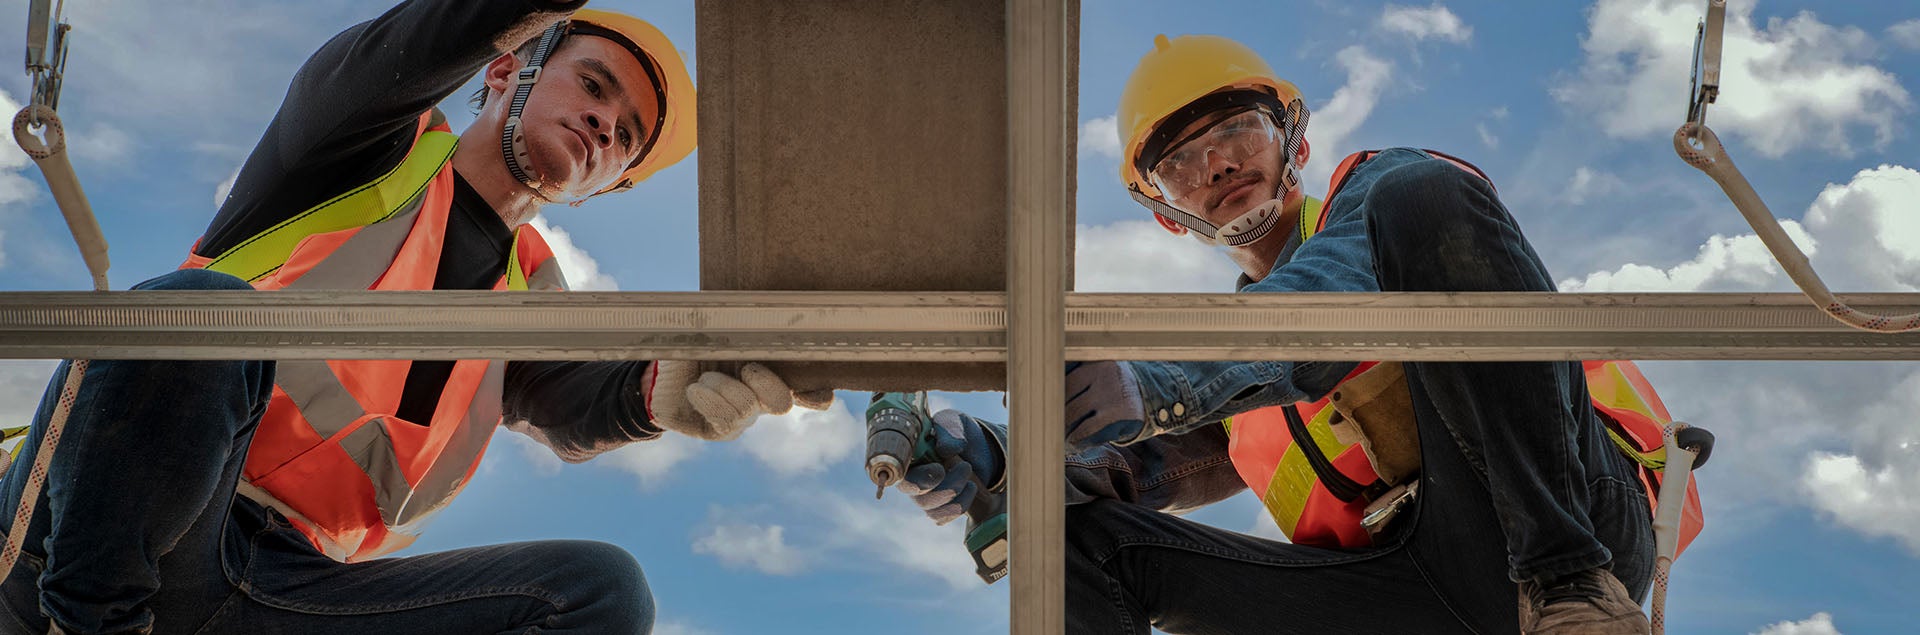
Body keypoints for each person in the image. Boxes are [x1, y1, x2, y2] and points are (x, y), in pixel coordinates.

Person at [0, 2, 818, 633]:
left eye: (627, 136)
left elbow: (581, 399)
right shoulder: (358, 142)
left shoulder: (531, 300)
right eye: (594, 84)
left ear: (607, 184)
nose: (606, 125)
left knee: (600, 592)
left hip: (289, 591)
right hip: (107, 536)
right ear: (505, 69)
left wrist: (655, 393)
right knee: (197, 317)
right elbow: (426, 40)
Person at [891, 34, 1674, 634]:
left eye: (1240, 128)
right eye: (1182, 161)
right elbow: (1123, 463)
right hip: (1403, 589)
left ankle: (1571, 587)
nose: (1220, 162)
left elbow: (1315, 299)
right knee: (1075, 542)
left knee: (1422, 191)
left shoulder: (1379, 200)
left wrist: (1151, 381)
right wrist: (997, 452)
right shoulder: (1235, 385)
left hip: (1570, 528)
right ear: (1168, 214)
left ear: (1294, 141)